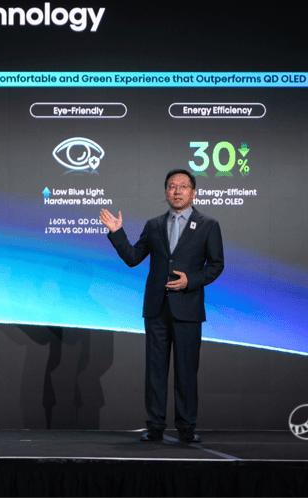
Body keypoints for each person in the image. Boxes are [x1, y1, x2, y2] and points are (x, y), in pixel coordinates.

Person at [99, 169, 224, 444]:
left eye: (183, 186)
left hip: (188, 309)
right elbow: (133, 257)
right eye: (171, 186)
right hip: (156, 309)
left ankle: (186, 427)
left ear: (193, 192)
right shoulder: (154, 225)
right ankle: (155, 425)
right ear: (166, 192)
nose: (177, 191)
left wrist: (191, 280)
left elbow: (216, 265)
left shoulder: (208, 225)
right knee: (155, 370)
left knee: (186, 371)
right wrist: (117, 233)